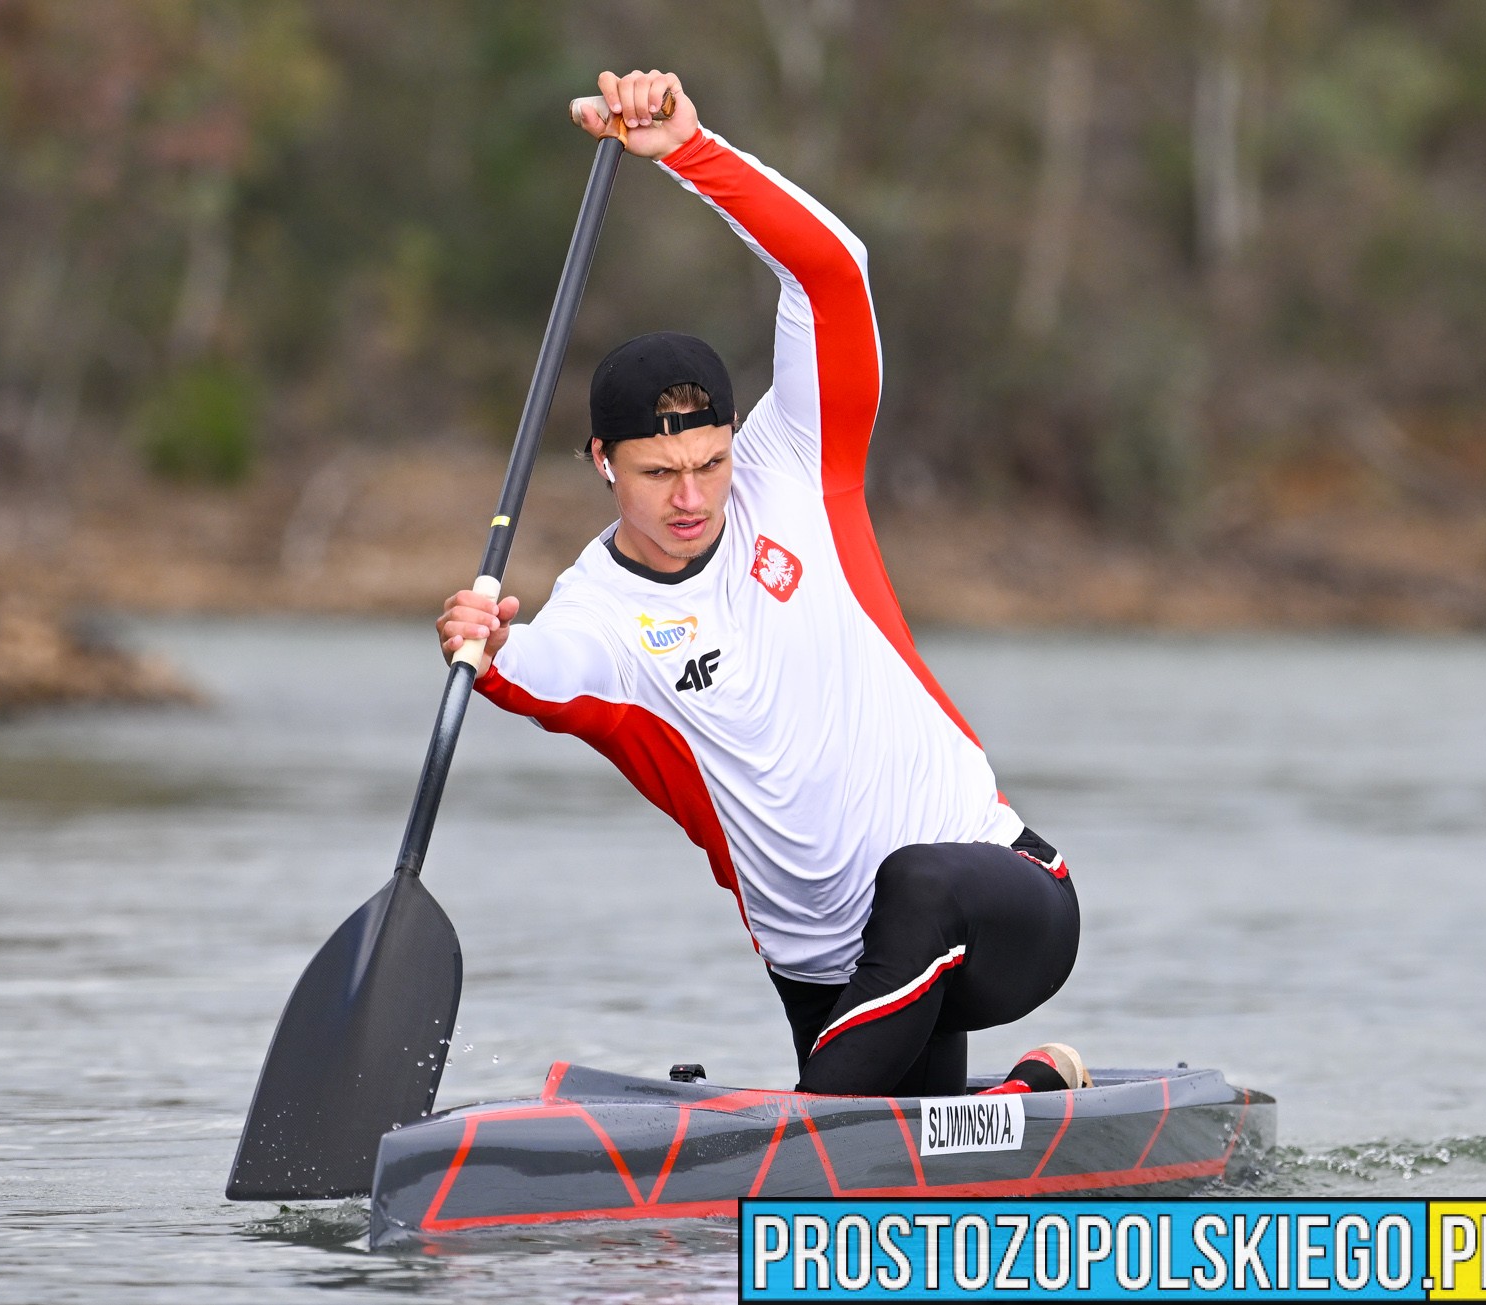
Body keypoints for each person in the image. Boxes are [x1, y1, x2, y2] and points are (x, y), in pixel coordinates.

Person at [437, 69, 1085, 1099]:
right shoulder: (597, 617)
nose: (691, 496)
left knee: (909, 885)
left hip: (996, 898)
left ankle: (808, 1131)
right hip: (824, 971)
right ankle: (1031, 1102)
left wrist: (689, 152)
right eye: (657, 474)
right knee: (882, 1206)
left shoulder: (796, 463)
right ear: (600, 462)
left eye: (708, 461)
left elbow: (832, 273)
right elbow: (532, 672)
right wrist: (486, 639)